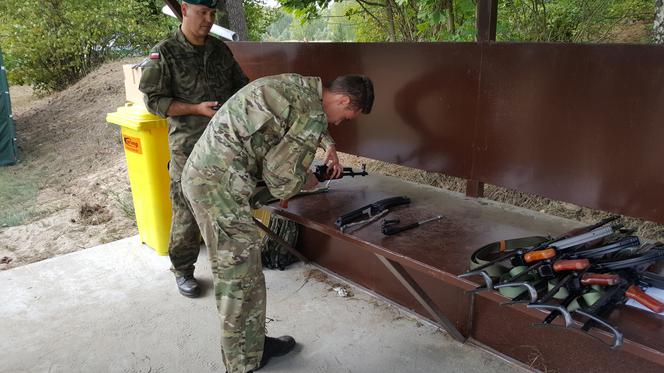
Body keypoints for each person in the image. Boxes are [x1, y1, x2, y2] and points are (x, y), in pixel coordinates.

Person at [181, 73, 374, 373]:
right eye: (347, 116)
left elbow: (294, 118)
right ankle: (241, 364)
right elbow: (281, 180)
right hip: (218, 187)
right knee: (237, 278)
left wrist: (328, 144)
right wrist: (307, 180)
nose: (340, 122)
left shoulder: (301, 87)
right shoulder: (311, 113)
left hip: (208, 174)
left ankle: (254, 346)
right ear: (343, 100)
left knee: (247, 273)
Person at [139, 0, 249, 298]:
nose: (208, 19)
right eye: (203, 12)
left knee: (227, 205)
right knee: (186, 210)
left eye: (212, 14)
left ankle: (232, 264)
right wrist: (195, 109)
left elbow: (242, 88)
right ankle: (183, 270)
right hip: (188, 147)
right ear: (185, 10)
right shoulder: (165, 52)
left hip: (226, 146)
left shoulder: (219, 50)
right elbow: (154, 101)